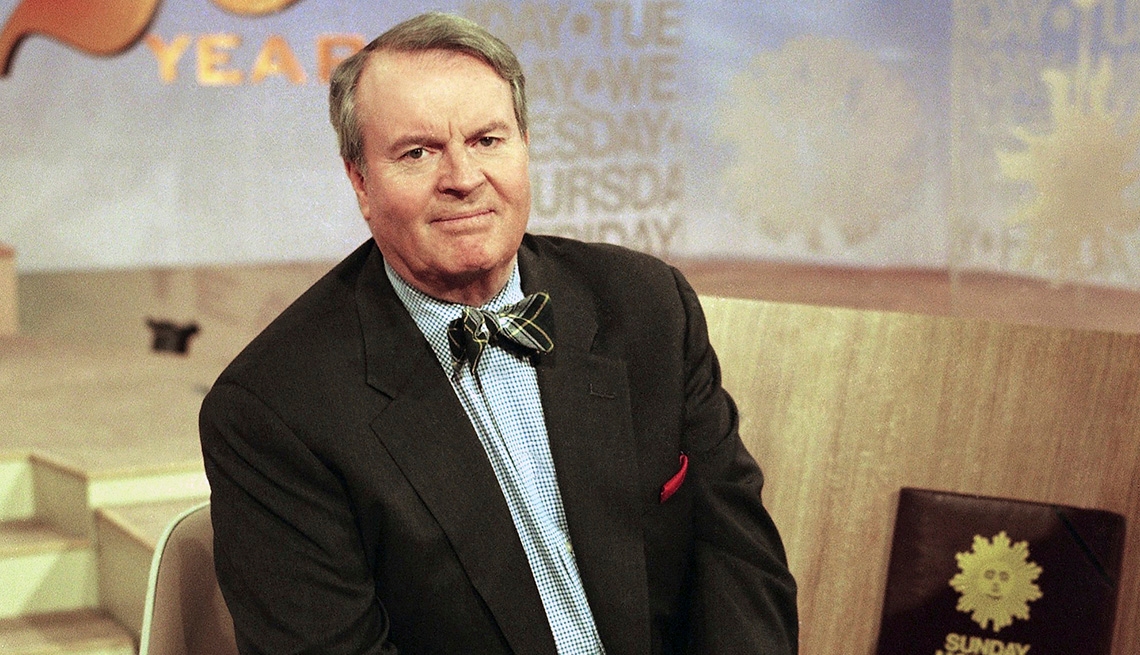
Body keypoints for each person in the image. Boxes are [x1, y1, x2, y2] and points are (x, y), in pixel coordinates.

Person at [199, 11, 797, 655]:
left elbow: (741, 567)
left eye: (487, 140)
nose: (462, 178)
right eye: (418, 152)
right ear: (360, 181)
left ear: (525, 147)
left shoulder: (646, 306)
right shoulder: (274, 410)